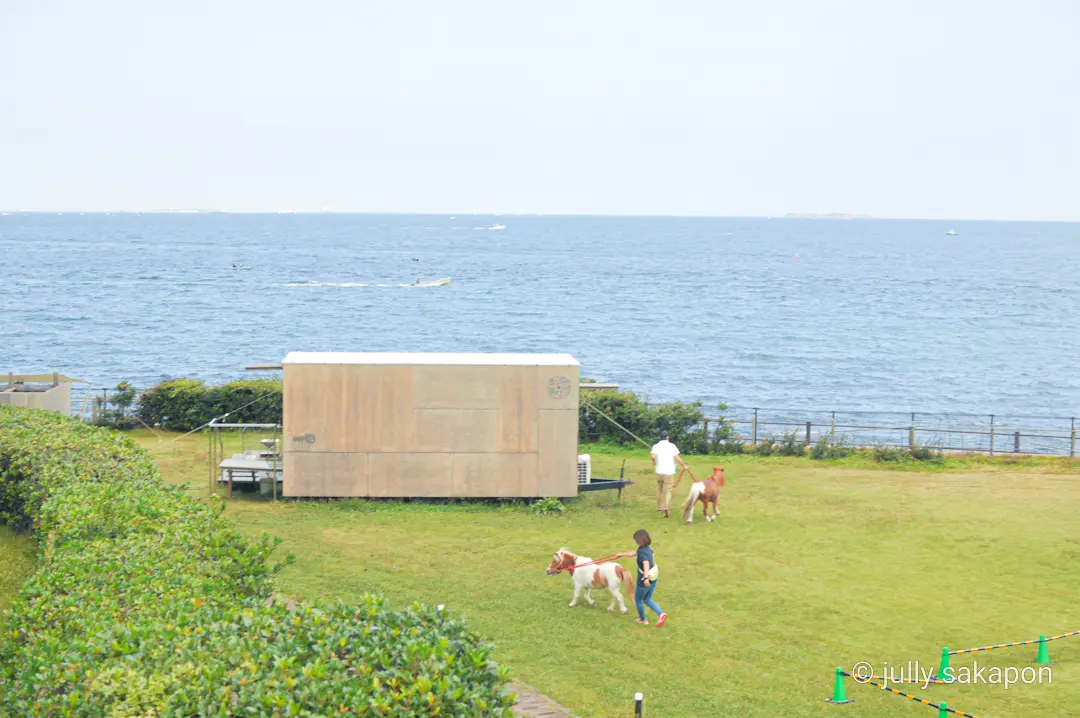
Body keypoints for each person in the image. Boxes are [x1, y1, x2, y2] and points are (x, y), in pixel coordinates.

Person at [617, 529, 667, 627]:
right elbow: (633, 553)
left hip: (645, 581)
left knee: (638, 600)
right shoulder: (647, 549)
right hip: (654, 578)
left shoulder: (642, 552)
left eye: (636, 540)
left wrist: (645, 578)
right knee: (647, 599)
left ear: (639, 541)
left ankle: (643, 620)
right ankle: (661, 614)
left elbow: (646, 564)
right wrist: (621, 554)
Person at [651, 431, 687, 518]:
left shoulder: (655, 446)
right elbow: (677, 458)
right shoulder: (672, 446)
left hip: (659, 472)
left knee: (659, 490)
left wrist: (654, 462)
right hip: (669, 472)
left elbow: (653, 456)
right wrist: (684, 466)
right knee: (668, 490)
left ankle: (660, 507)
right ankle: (666, 507)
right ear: (667, 437)